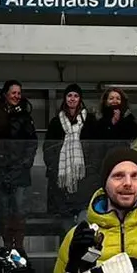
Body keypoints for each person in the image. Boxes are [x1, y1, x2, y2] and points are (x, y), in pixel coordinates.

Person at [0, 80, 40, 250]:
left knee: (19, 210)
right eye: (13, 92)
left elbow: (32, 143)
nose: (16, 96)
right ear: (6, 94)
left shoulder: (25, 116)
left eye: (19, 93)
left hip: (20, 172)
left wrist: (25, 164)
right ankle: (7, 245)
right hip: (1, 170)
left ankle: (19, 246)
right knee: (4, 211)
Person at [43, 83, 91, 220]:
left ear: (80, 99)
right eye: (69, 95)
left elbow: (94, 149)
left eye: (76, 96)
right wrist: (53, 167)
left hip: (83, 176)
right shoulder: (56, 122)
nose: (72, 99)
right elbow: (48, 147)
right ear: (65, 98)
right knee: (62, 220)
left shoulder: (89, 121)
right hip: (60, 177)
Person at [81, 87, 137, 191]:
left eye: (118, 98)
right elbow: (91, 137)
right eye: (111, 98)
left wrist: (118, 123)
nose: (115, 101)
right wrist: (110, 124)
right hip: (99, 163)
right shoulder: (97, 118)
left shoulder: (128, 118)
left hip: (120, 162)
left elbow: (131, 136)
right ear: (106, 101)